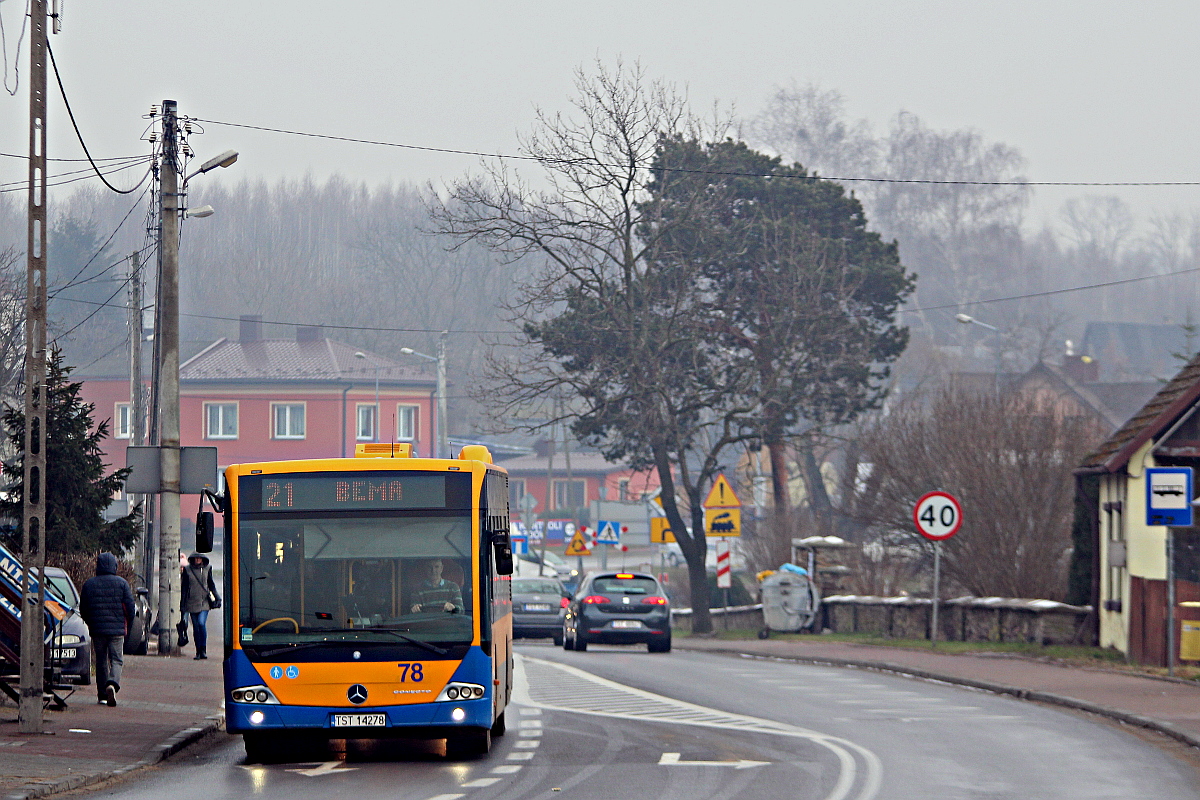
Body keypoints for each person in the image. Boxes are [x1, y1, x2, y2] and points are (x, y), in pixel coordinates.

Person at [78, 552, 135, 707]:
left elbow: (84, 608)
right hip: (116, 630)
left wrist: (90, 622)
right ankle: (113, 683)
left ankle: (102, 695)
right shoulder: (122, 583)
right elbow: (130, 608)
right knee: (117, 659)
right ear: (115, 566)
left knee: (101, 660)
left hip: (97, 629)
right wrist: (128, 623)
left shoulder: (89, 584)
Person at [180, 552, 220, 660]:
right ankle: (198, 651)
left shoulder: (207, 569)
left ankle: (203, 649)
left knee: (201, 623)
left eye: (199, 558)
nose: (198, 560)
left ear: (203, 559)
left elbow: (211, 585)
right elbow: (184, 588)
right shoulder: (187, 570)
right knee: (196, 627)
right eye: (196, 558)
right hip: (191, 603)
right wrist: (182, 605)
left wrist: (217, 598)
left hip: (204, 602)